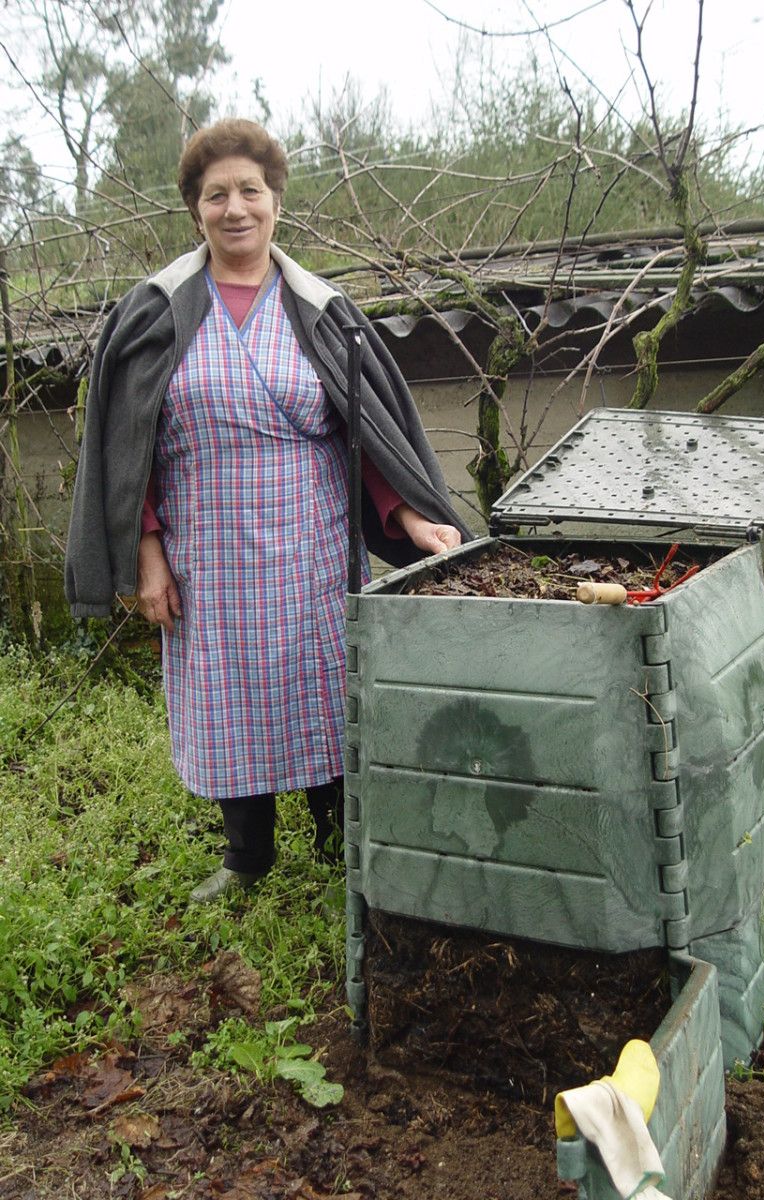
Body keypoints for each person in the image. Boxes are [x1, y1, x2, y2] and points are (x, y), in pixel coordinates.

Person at [65, 119, 469, 902]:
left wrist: (410, 517)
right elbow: (127, 444)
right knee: (225, 693)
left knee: (322, 685)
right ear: (196, 211)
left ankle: (335, 845)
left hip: (311, 547)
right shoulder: (157, 311)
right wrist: (147, 552)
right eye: (217, 194)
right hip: (203, 552)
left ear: (276, 201)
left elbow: (365, 433)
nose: (235, 208)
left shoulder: (323, 311)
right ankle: (247, 856)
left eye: (250, 190)